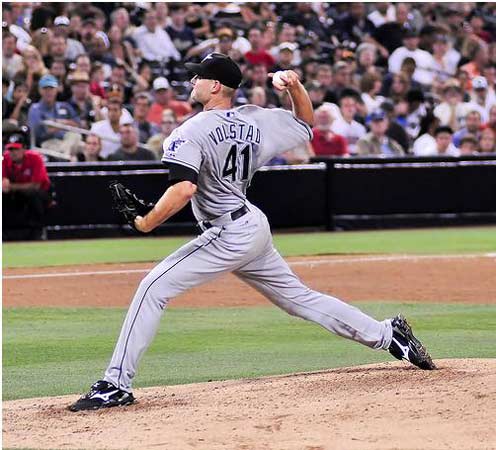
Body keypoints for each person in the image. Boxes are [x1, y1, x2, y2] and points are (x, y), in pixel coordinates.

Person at [69, 53, 435, 412]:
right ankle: (389, 334)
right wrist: (295, 85)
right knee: (300, 299)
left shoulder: (190, 130)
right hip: (250, 226)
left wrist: (146, 222)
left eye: (199, 77)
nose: (192, 82)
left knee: (152, 287)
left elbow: (184, 189)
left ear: (215, 86)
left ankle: (115, 384)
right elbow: (306, 123)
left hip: (229, 232)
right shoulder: (256, 121)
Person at [2, 127, 51, 240]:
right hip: (17, 193)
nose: (13, 153)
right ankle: (5, 232)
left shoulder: (35, 158)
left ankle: (38, 232)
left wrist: (11, 187)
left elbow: (35, 185)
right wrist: (4, 184)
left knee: (34, 195)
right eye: (10, 149)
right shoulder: (4, 159)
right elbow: (4, 182)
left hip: (41, 193)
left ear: (24, 149)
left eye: (16, 149)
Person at [27, 74, 80, 148]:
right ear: (40, 90)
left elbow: (77, 125)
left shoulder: (64, 106)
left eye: (51, 88)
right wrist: (64, 125)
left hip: (67, 140)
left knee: (78, 139)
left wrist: (59, 123)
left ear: (56, 89)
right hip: (48, 142)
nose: (48, 92)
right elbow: (38, 134)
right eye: (45, 88)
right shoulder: (35, 109)